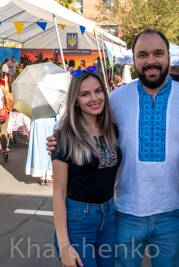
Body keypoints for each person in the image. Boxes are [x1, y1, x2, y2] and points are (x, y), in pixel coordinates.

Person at [47, 28, 179, 267]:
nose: (150, 61)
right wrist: (58, 139)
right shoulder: (116, 99)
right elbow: (86, 123)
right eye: (143, 54)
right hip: (125, 213)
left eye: (158, 53)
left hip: (173, 213)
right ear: (134, 59)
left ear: (169, 57)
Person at [51, 70, 121, 266]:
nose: (94, 98)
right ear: (75, 100)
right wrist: (64, 245)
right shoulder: (64, 137)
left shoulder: (112, 130)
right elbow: (58, 193)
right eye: (85, 94)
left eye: (98, 91)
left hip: (108, 216)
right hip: (78, 219)